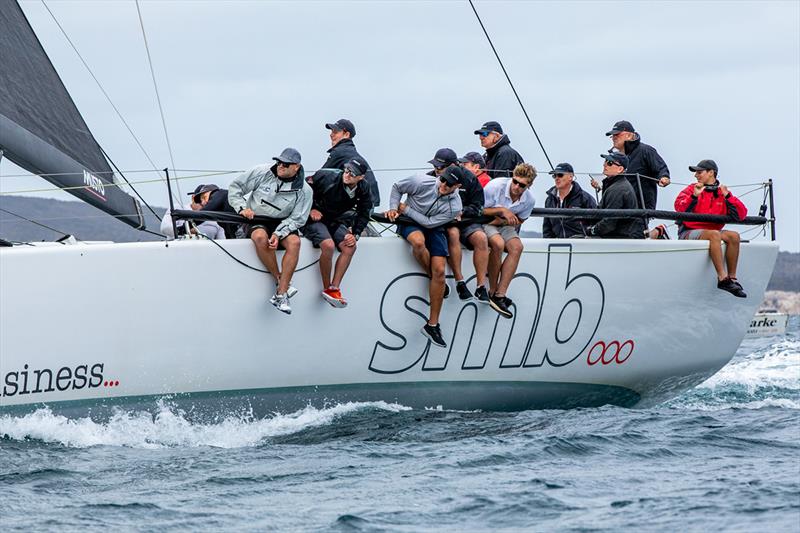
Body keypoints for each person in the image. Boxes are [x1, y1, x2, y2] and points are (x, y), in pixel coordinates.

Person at [384, 165, 465, 348]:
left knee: (440, 271)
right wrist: (393, 207)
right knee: (419, 243)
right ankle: (437, 283)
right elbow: (397, 187)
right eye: (442, 179)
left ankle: (432, 325)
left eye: (449, 183)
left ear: (457, 186)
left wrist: (406, 209)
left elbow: (429, 224)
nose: (443, 184)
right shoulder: (420, 181)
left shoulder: (455, 206)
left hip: (432, 225)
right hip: (409, 224)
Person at [228, 148, 312, 314]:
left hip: (283, 222)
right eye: (279, 162)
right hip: (256, 218)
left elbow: (298, 218)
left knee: (295, 242)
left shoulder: (305, 190)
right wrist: (241, 208)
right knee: (260, 237)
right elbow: (235, 187)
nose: (280, 166)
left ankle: (280, 295)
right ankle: (281, 283)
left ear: (296, 167)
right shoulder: (261, 171)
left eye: (285, 164)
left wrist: (278, 233)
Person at [303, 158, 373, 307]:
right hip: (312, 219)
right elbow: (302, 189)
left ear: (361, 178)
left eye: (352, 174)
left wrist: (355, 234)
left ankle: (334, 288)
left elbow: (364, 212)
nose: (347, 174)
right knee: (328, 245)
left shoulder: (364, 188)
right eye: (346, 170)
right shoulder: (326, 176)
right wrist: (312, 208)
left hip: (334, 220)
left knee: (350, 246)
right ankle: (326, 287)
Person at [675, 159, 747, 297]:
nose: (696, 175)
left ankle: (732, 279)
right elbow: (679, 208)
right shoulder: (691, 189)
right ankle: (722, 278)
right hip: (688, 232)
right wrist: (694, 196)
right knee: (714, 234)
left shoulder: (722, 192)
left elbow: (742, 214)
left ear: (711, 173)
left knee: (734, 236)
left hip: (711, 232)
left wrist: (728, 196)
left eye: (699, 172)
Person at [482, 163, 536, 319]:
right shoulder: (495, 186)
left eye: (522, 185)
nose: (517, 186)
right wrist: (502, 210)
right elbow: (478, 209)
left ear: (529, 185)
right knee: (498, 244)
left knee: (517, 247)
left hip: (502, 224)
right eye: (515, 181)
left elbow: (521, 219)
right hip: (486, 221)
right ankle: (492, 290)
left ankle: (500, 294)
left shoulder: (529, 199)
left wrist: (504, 221)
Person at [447, 154, 490, 303]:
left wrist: (463, 211)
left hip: (466, 221)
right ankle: (460, 283)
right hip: (447, 222)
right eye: (436, 168)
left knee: (481, 238)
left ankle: (481, 287)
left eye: (441, 167)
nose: (438, 171)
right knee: (452, 234)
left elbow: (479, 207)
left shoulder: (470, 179)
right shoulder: (433, 177)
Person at [605, 120, 670, 209]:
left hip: (639, 209)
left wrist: (664, 177)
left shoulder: (646, 150)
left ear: (629, 135)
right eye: (613, 136)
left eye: (617, 135)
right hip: (619, 207)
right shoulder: (614, 155)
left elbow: (660, 168)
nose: (614, 138)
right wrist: (601, 185)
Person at [322, 119, 380, 207]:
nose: (331, 134)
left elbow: (320, 177)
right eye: (331, 131)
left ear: (346, 134)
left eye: (335, 132)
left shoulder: (340, 152)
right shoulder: (348, 150)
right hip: (369, 200)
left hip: (361, 202)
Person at [586, 153, 646, 239]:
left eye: (610, 163)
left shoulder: (619, 189)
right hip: (616, 236)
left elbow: (609, 224)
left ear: (620, 169)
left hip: (620, 239)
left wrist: (591, 230)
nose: (605, 164)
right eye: (605, 161)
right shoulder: (614, 185)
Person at [542, 162, 597, 238]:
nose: (557, 178)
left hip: (581, 246)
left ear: (571, 177)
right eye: (554, 176)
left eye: (560, 175)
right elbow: (547, 228)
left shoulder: (585, 198)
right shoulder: (550, 200)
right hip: (557, 246)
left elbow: (596, 224)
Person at [159, 184, 226, 240]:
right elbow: (164, 228)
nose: (204, 204)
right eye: (200, 200)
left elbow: (222, 240)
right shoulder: (178, 208)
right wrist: (187, 231)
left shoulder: (216, 217)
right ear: (193, 198)